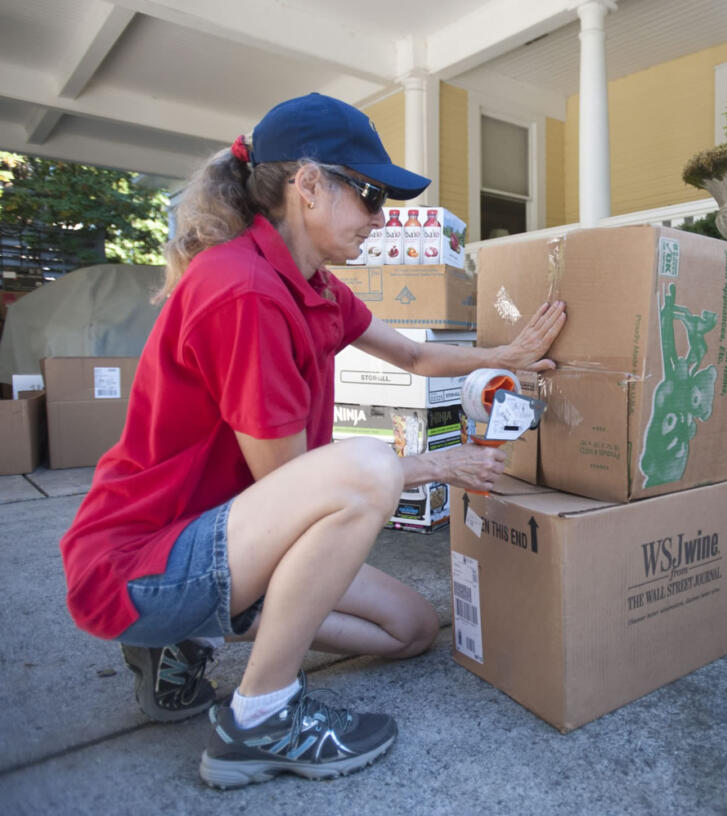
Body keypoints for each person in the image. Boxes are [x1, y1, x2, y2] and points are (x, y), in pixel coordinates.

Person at [57, 92, 565, 789]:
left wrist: (508, 355)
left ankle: (195, 633)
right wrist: (440, 462)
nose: (381, 219)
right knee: (363, 466)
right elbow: (296, 482)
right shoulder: (245, 290)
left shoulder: (313, 285)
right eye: (370, 194)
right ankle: (259, 717)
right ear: (308, 185)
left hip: (225, 541)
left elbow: (416, 359)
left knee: (411, 631)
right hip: (142, 560)